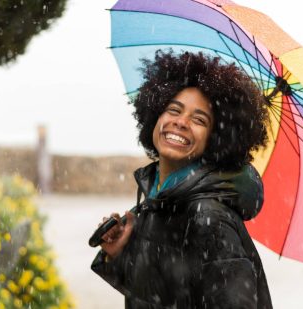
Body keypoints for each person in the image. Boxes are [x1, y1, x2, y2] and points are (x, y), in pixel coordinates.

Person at [91, 50, 273, 308]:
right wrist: (122, 254)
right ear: (155, 116)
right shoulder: (158, 201)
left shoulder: (210, 219)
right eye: (173, 110)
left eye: (199, 119)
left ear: (216, 140)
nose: (181, 122)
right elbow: (159, 295)